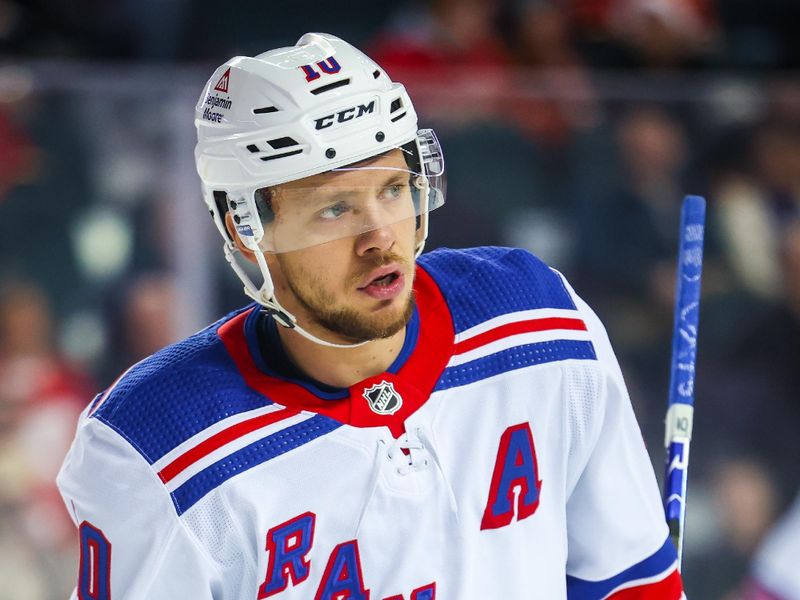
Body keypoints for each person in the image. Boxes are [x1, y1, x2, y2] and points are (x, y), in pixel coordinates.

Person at [57, 33, 684, 599]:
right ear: (246, 232)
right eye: (334, 209)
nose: (381, 237)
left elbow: (630, 583)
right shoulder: (157, 449)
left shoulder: (540, 325)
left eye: (391, 189)